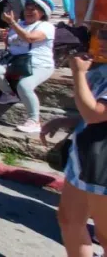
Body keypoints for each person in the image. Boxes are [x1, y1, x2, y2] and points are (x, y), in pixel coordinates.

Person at [46, 55, 107, 257]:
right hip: (85, 155)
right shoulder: (102, 68)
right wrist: (69, 121)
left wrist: (78, 72)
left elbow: (95, 114)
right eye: (100, 32)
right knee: (69, 219)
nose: (101, 39)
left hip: (102, 162)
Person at [0, 0, 57, 134]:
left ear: (42, 12)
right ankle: (10, 94)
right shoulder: (21, 24)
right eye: (27, 9)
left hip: (40, 64)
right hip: (17, 62)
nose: (28, 12)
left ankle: (34, 120)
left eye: (33, 9)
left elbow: (29, 38)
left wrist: (13, 23)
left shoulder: (46, 26)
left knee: (24, 85)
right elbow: (14, 44)